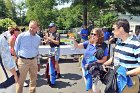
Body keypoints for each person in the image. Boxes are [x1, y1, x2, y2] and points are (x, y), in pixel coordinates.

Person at [104, 19, 140, 93]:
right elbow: (115, 57)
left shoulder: (136, 44)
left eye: (113, 29)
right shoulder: (118, 42)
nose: (112, 31)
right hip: (116, 79)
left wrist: (125, 73)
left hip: (129, 81)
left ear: (121, 29)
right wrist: (104, 64)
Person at [71, 28, 108, 93]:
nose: (92, 35)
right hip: (85, 67)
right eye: (91, 34)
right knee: (89, 87)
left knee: (95, 90)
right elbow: (77, 46)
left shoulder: (103, 46)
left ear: (99, 35)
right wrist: (73, 40)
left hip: (95, 69)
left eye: (94, 34)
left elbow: (104, 59)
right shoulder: (88, 43)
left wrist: (94, 62)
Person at [14, 20, 41, 93]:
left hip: (34, 61)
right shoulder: (21, 36)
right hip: (23, 61)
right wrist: (17, 59)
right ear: (28, 26)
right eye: (30, 27)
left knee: (33, 80)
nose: (32, 29)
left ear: (37, 28)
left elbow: (37, 50)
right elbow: (16, 48)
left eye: (34, 28)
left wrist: (38, 62)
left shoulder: (38, 38)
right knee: (20, 81)